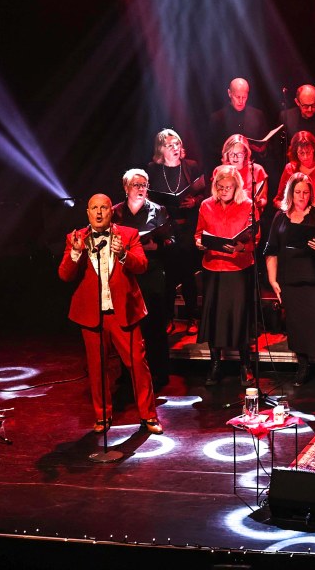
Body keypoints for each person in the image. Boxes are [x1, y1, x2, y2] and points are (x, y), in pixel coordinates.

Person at [58, 194, 162, 435]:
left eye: (103, 207)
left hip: (124, 311)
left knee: (137, 364)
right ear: (87, 213)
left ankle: (148, 416)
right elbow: (64, 275)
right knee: (97, 367)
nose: (98, 212)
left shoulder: (128, 235)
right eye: (93, 208)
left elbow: (142, 265)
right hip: (92, 314)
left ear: (111, 211)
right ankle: (102, 416)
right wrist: (75, 254)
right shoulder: (76, 238)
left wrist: (124, 254)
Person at [264, 173, 315, 387]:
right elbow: (271, 250)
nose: (302, 196)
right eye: (297, 192)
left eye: (306, 192)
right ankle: (303, 366)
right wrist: (273, 280)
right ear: (290, 193)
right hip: (291, 279)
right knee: (297, 324)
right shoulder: (280, 217)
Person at [196, 165, 259, 386]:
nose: (224, 191)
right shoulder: (206, 205)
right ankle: (215, 364)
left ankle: (245, 365)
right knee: (214, 317)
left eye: (229, 187)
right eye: (220, 187)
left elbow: (255, 238)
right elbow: (198, 234)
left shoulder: (248, 205)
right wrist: (199, 243)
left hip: (238, 268)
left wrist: (241, 248)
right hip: (213, 267)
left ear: (237, 187)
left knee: (239, 317)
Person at [112, 169, 175, 387]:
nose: (141, 189)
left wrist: (155, 245)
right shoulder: (116, 213)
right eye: (136, 185)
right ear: (126, 187)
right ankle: (128, 374)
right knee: (128, 324)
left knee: (154, 324)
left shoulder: (158, 211)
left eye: (144, 185)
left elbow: (171, 242)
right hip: (126, 273)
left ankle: (158, 373)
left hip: (151, 271)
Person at [146, 129, 205, 335]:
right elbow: (148, 196)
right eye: (170, 145)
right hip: (166, 227)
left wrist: (194, 201)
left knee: (188, 274)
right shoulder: (153, 169)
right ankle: (168, 317)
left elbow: (203, 192)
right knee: (168, 276)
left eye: (177, 144)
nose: (175, 148)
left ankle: (192, 317)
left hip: (187, 225)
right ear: (161, 149)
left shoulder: (191, 166)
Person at [272, 131, 315, 210]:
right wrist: (288, 209)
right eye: (301, 153)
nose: (305, 157)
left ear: (313, 149)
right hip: (295, 217)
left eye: (308, 152)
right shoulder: (290, 169)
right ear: (296, 153)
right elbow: (278, 200)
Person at [209, 78, 268, 161]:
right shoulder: (217, 118)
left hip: (252, 166)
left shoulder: (257, 115)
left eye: (244, 97)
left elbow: (265, 147)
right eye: (237, 97)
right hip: (227, 168)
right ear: (229, 93)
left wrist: (262, 150)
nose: (241, 101)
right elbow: (212, 149)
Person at [221, 133, 268, 215]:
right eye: (232, 154)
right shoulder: (221, 171)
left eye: (239, 154)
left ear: (245, 154)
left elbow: (263, 199)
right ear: (227, 154)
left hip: (249, 218)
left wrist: (256, 203)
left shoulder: (257, 170)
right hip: (226, 217)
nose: (235, 158)